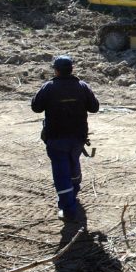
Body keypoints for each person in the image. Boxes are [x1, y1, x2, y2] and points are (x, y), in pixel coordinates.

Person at [31, 55, 99, 222]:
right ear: (72, 69)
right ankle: (73, 192)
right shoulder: (82, 87)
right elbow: (95, 107)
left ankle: (68, 209)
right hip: (78, 138)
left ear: (56, 70)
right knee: (73, 164)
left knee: (61, 173)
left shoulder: (49, 87)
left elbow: (36, 107)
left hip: (56, 138)